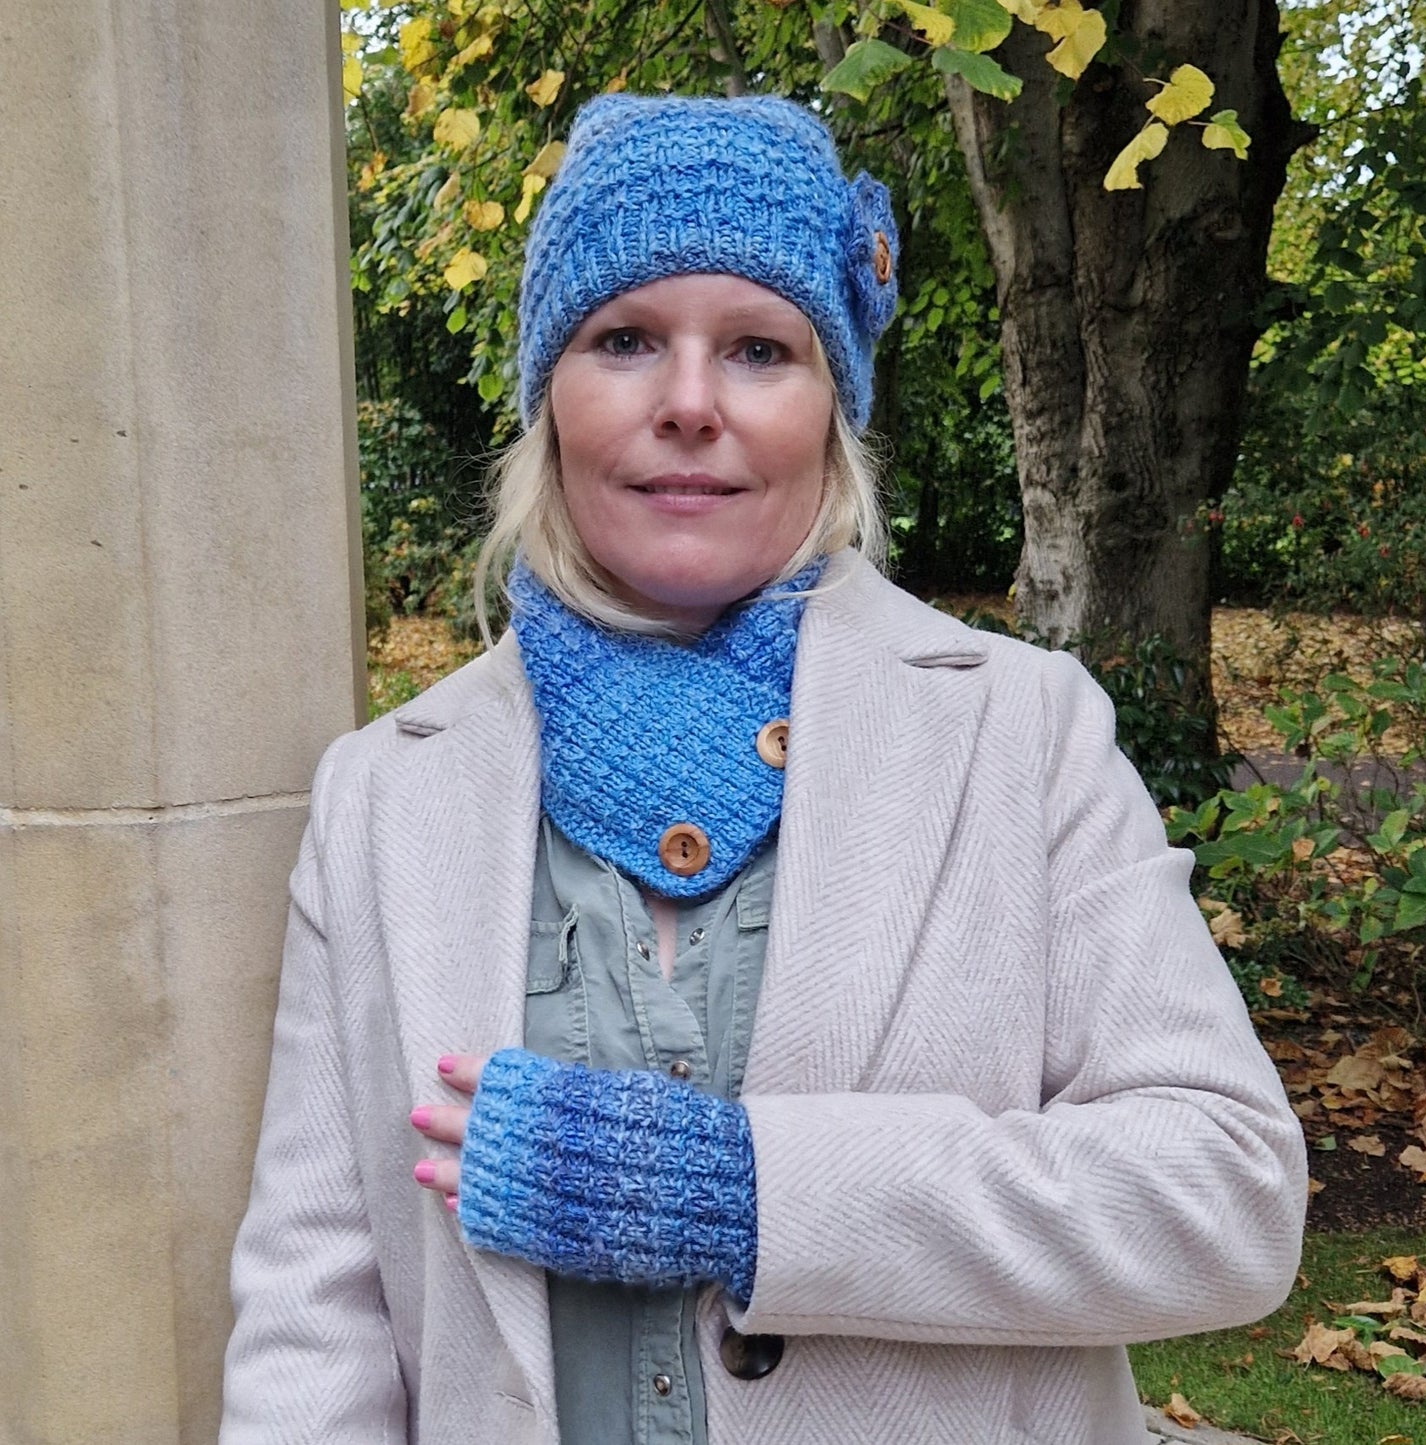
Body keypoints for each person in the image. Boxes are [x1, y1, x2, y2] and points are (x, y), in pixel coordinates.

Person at [220, 93, 1308, 1445]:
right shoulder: (382, 794)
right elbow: (313, 1313)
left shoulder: (1022, 734)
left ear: (831, 403)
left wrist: (744, 1193)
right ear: (548, 393)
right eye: (624, 339)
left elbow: (1226, 1194)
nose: (688, 404)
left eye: (757, 349)